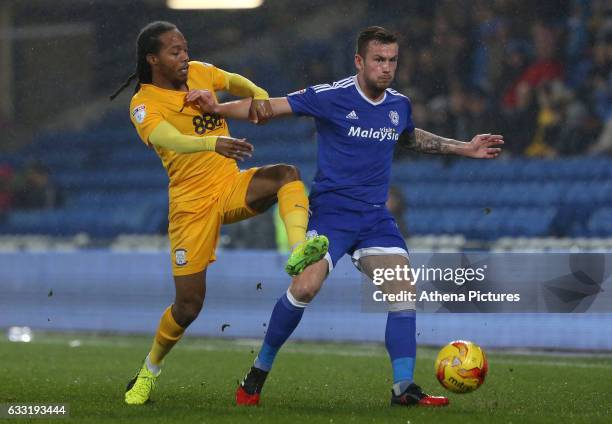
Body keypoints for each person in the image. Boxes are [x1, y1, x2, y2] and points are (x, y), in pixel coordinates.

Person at [198, 26, 503, 408]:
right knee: (306, 287)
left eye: (392, 60)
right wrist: (218, 109)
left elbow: (407, 136)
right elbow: (267, 108)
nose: (386, 67)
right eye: (379, 59)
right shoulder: (331, 96)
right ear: (360, 61)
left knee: (403, 287)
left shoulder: (399, 104)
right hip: (331, 215)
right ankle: (257, 373)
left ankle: (403, 387)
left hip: (375, 218)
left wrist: (464, 148)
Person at [109, 21, 329, 405]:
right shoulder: (143, 104)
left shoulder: (198, 73)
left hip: (229, 186)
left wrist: (260, 95)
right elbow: (170, 139)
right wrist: (214, 142)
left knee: (287, 175)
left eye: (185, 49)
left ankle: (299, 250)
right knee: (188, 305)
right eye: (174, 52)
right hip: (190, 207)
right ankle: (149, 370)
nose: (184, 57)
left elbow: (234, 81)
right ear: (153, 59)